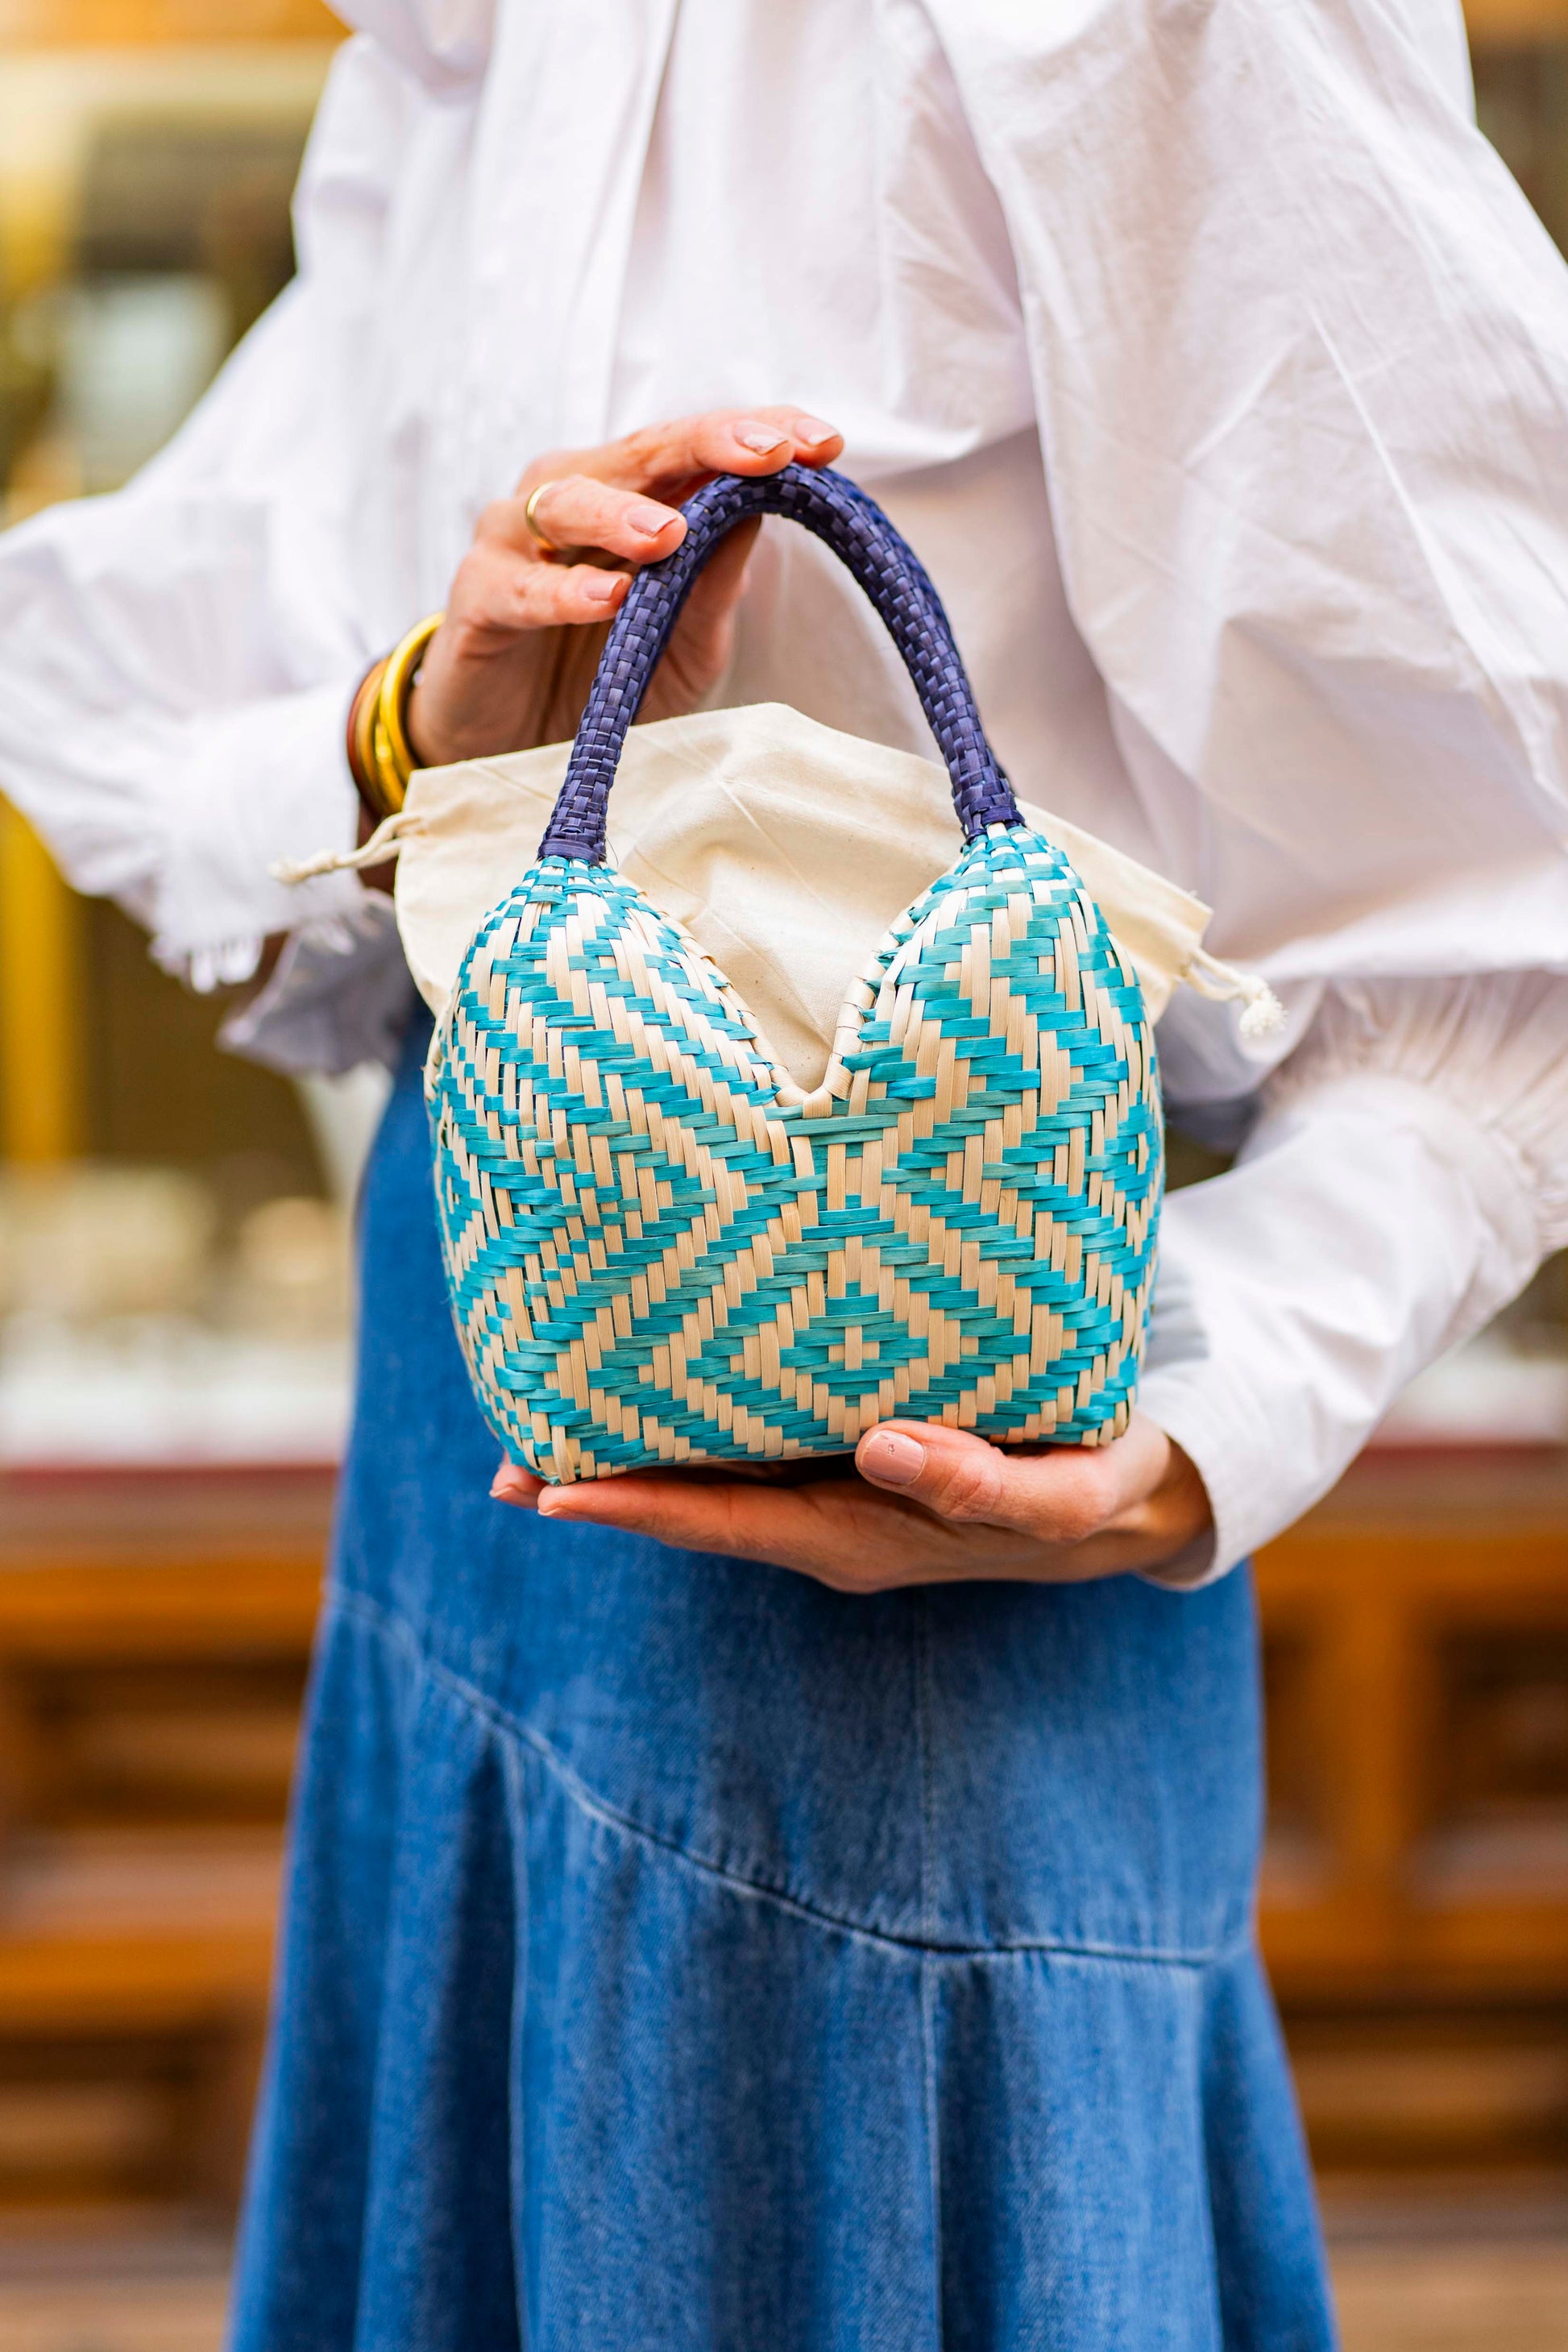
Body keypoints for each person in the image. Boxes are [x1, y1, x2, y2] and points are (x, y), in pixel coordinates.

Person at [2, 2, 1566, 2342]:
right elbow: (157, 659)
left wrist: (1188, 1414)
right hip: (473, 1436)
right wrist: (425, 725)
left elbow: (1515, 905)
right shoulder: (478, 42)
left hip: (915, 1575)